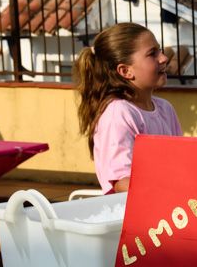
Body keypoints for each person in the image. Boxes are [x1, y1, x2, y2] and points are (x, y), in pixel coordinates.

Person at [75, 22, 181, 194]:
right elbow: (122, 182)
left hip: (172, 213)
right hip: (137, 216)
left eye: (160, 50)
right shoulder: (119, 113)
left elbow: (180, 162)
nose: (163, 58)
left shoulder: (165, 108)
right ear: (125, 71)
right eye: (152, 54)